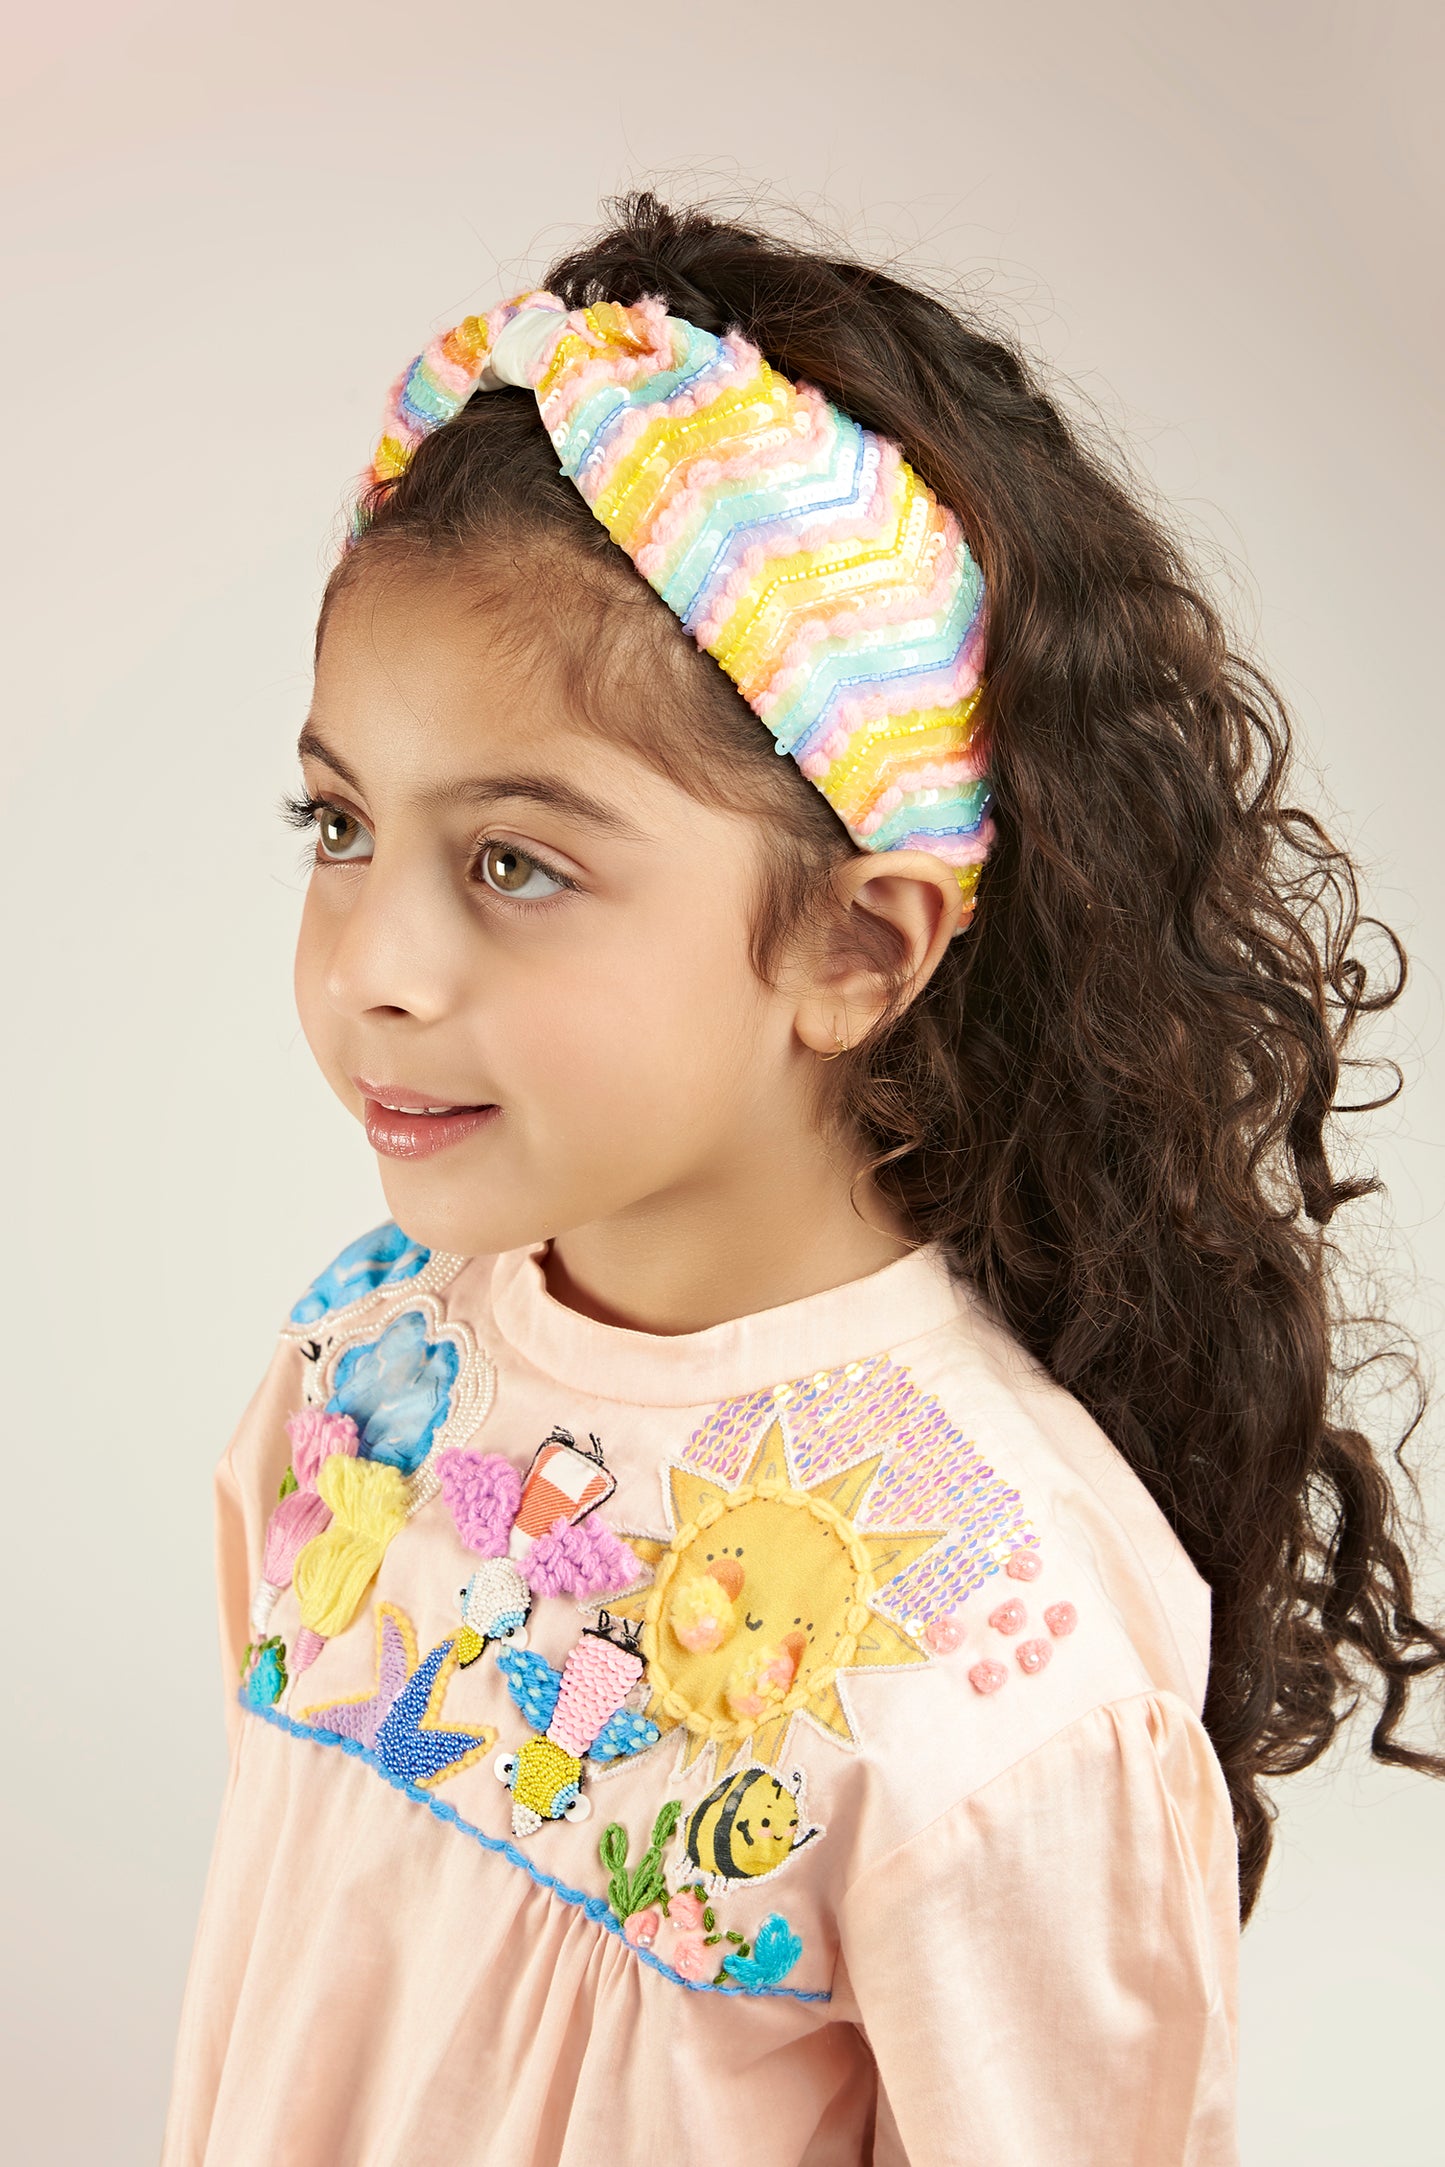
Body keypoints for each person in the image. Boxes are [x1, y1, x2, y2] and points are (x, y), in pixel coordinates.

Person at [161, 192, 1444, 2167]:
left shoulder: (1000, 1658)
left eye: (514, 862)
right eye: (339, 823)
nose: (372, 966)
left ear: (856, 944)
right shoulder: (368, 1362)